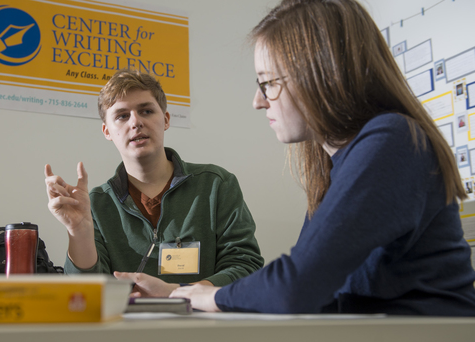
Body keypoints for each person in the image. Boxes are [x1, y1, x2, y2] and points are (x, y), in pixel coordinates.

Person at [171, 0, 475, 320]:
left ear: (322, 74)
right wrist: (198, 294)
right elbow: (311, 287)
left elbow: (295, 286)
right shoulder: (337, 164)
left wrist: (213, 295)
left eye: (268, 83)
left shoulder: (393, 139)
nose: (258, 101)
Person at [44, 69, 264, 297]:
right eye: (122, 116)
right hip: (126, 331)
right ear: (107, 131)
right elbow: (83, 294)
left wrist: (177, 293)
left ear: (166, 119)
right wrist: (78, 231)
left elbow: (245, 267)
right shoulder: (97, 204)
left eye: (146, 111)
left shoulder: (216, 185)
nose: (136, 122)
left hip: (203, 327)